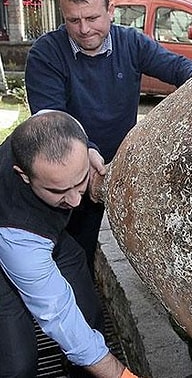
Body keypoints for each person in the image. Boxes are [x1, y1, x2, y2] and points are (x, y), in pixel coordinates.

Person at [25, 0, 192, 274]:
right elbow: (51, 118)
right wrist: (88, 153)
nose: (84, 29)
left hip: (119, 164)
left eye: (92, 18)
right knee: (72, 252)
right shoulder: (46, 54)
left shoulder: (130, 43)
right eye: (73, 20)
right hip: (69, 168)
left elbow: (176, 67)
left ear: (111, 11)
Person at [0, 110, 138, 377]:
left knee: (87, 310)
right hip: (16, 236)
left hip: (50, 234)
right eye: (58, 190)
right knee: (17, 362)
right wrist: (123, 375)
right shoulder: (20, 240)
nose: (75, 201)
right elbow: (59, 316)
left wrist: (91, 150)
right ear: (24, 175)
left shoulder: (57, 123)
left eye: (80, 181)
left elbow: (69, 131)